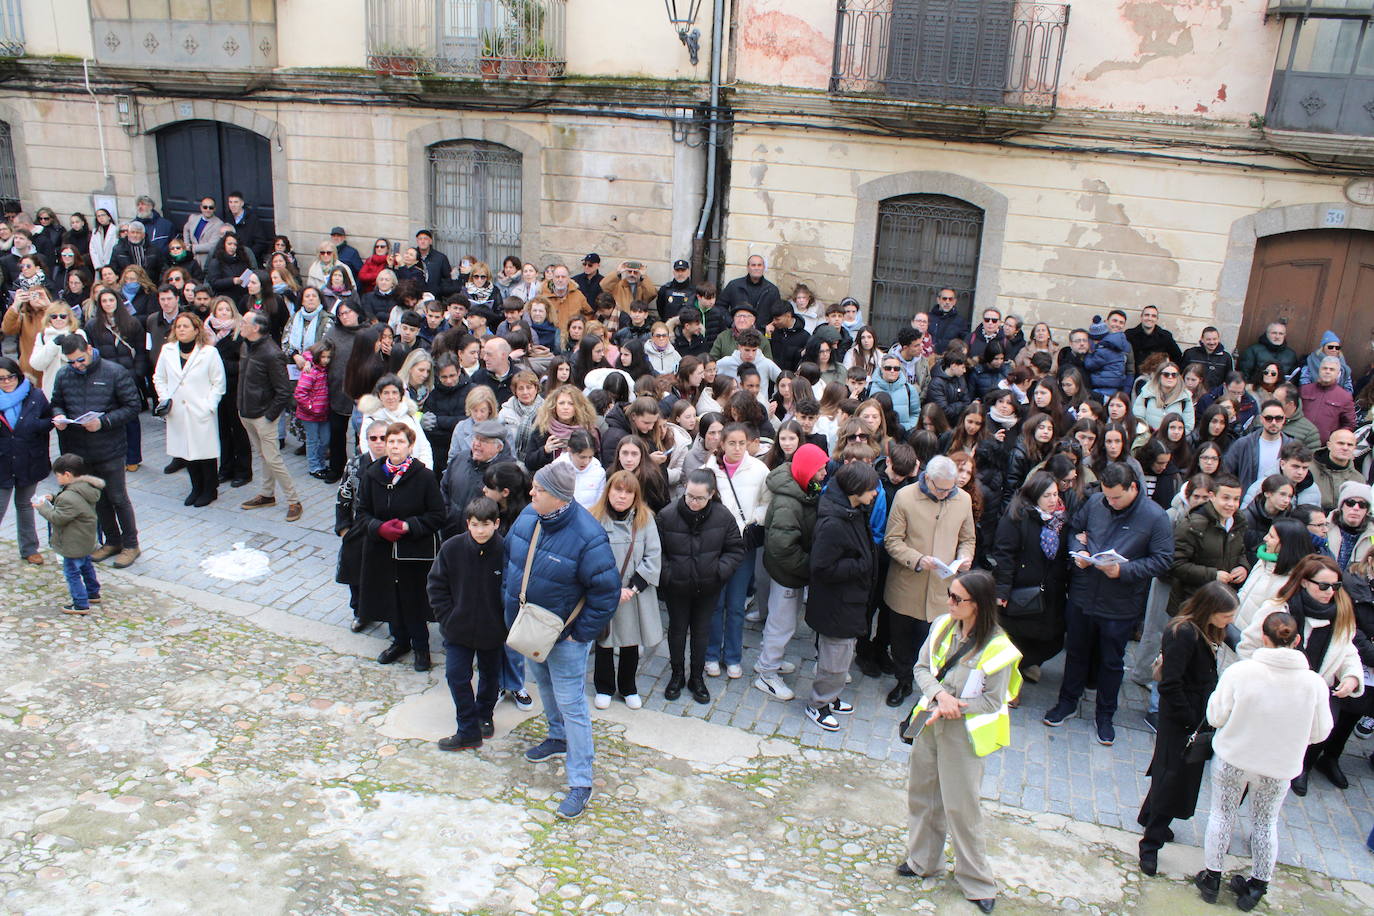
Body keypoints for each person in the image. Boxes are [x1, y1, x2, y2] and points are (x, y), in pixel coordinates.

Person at [506, 461, 622, 821]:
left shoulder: (589, 536)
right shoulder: (528, 516)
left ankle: (581, 782)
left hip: (566, 637)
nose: (530, 493)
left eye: (537, 490)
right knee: (542, 681)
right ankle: (556, 737)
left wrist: (578, 633)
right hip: (532, 629)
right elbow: (509, 560)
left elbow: (607, 592)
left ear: (557, 498)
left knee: (572, 702)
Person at [899, 570, 1020, 913]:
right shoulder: (941, 626)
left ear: (978, 606)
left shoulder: (998, 648)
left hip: (962, 734)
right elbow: (921, 668)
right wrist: (940, 696)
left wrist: (955, 707)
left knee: (962, 808)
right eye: (949, 595)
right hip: (931, 721)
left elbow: (994, 701)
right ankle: (923, 861)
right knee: (922, 794)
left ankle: (977, 881)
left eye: (956, 599)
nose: (948, 603)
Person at [1198, 611, 1332, 909]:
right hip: (1279, 766)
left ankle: (1212, 878)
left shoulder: (1241, 673)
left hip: (1235, 757)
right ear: (1297, 640)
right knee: (1265, 823)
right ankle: (1258, 885)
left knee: (1221, 814)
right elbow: (1321, 732)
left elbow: (1216, 716)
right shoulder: (1314, 684)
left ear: (1263, 638)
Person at [1043, 462, 1174, 746]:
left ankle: (1105, 715)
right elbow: (1074, 529)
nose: (1110, 502)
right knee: (1076, 653)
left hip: (1120, 603)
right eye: (1107, 496)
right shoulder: (1096, 503)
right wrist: (1079, 551)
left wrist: (1124, 571)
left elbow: (1163, 559)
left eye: (1116, 497)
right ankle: (1067, 702)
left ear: (1133, 489)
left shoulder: (1155, 517)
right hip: (1083, 594)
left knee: (1112, 663)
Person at [1237, 554, 1362, 795]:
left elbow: (1348, 651)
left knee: (1309, 738)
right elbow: (1248, 646)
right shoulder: (1277, 608)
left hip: (1312, 692)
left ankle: (1298, 769)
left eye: (1335, 586)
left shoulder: (1342, 613)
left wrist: (1351, 677)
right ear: (1304, 581)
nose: (1330, 592)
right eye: (1324, 586)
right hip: (1273, 693)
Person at [1136, 581, 1237, 876]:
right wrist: (1189, 719)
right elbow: (1171, 684)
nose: (1229, 623)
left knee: (1168, 767)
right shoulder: (1183, 634)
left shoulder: (1201, 629)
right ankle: (1150, 844)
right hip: (1183, 717)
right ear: (1210, 610)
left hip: (1192, 712)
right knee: (1174, 778)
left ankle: (1148, 816)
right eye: (1226, 616)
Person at [883, 455, 976, 707]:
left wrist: (965, 557)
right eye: (941, 489)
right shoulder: (905, 497)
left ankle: (929, 688)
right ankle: (902, 680)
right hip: (907, 583)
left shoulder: (963, 499)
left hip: (941, 588)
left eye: (951, 488)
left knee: (931, 642)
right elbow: (892, 540)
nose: (947, 494)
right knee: (901, 639)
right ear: (927, 478)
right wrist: (918, 559)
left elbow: (968, 538)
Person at [358, 422, 446, 670]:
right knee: (390, 597)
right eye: (391, 441)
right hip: (382, 550)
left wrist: (410, 526)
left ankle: (421, 646)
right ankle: (399, 641)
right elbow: (362, 512)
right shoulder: (372, 474)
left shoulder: (425, 476)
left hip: (413, 552)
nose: (395, 446)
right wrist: (378, 527)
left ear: (410, 446)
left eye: (400, 442)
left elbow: (438, 515)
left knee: (413, 599)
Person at [49, 336, 142, 568]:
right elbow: (56, 401)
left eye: (80, 359)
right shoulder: (63, 375)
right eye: (71, 362)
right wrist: (59, 416)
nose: (77, 365)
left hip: (109, 447)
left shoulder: (114, 372)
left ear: (89, 349)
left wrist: (104, 422)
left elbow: (132, 406)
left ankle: (131, 544)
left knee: (118, 497)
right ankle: (112, 541)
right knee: (97, 499)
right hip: (79, 450)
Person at [657, 469, 746, 703]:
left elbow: (735, 550)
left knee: (701, 632)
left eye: (699, 498)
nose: (693, 502)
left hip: (708, 587)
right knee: (676, 631)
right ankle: (677, 674)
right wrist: (668, 574)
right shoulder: (667, 515)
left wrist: (718, 572)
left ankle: (697, 677)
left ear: (711, 495)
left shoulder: (723, 516)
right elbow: (657, 552)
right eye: (689, 496)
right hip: (676, 586)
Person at [803, 462, 879, 732]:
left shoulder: (852, 509)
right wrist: (861, 566)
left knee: (843, 654)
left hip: (848, 600)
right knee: (834, 659)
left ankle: (831, 697)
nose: (875, 495)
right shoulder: (834, 522)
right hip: (836, 603)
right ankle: (818, 703)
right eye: (871, 490)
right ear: (856, 490)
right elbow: (821, 567)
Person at [427, 496, 506, 751]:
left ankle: (485, 715)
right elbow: (436, 586)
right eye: (475, 525)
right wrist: (448, 619)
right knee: (456, 676)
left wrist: (504, 624)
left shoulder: (506, 551)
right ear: (467, 524)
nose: (480, 531)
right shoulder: (451, 549)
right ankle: (467, 728)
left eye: (485, 524)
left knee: (490, 676)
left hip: (493, 631)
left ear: (496, 523)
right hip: (458, 630)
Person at [754, 443, 827, 701]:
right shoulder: (788, 502)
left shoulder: (803, 490)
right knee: (781, 623)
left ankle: (768, 657)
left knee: (781, 620)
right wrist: (809, 567)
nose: (824, 473)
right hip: (788, 573)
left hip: (791, 571)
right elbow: (782, 548)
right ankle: (767, 673)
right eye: (820, 469)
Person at [590, 471, 663, 710]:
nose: (622, 496)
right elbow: (590, 557)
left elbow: (653, 555)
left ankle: (628, 686)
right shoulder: (594, 518)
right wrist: (610, 588)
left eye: (628, 492)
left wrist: (632, 588)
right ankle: (604, 686)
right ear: (608, 491)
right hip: (604, 591)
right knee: (604, 639)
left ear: (635, 495)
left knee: (631, 640)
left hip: (634, 593)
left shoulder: (645, 519)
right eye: (617, 490)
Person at [703, 422, 768, 678]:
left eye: (742, 443)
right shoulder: (711, 469)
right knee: (715, 603)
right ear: (722, 444)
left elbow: (767, 501)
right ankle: (711, 653)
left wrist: (753, 520)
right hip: (715, 546)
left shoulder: (759, 469)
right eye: (732, 443)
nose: (737, 448)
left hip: (742, 546)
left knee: (736, 604)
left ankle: (732, 656)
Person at [989, 472, 1069, 684]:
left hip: (1052, 589)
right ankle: (1010, 681)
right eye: (1047, 496)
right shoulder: (1017, 516)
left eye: (1055, 494)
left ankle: (1025, 665)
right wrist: (1002, 590)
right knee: (1018, 637)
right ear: (1034, 496)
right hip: (1023, 590)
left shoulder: (1061, 519)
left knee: (1053, 640)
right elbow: (1004, 554)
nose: (1053, 500)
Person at [152, 313, 226, 508]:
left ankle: (210, 489)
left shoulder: (208, 352)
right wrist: (165, 398)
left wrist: (209, 405)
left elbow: (218, 383)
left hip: (200, 408)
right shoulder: (167, 350)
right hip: (178, 410)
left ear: (196, 329)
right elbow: (159, 377)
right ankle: (196, 487)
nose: (182, 330)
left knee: (205, 451)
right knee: (186, 451)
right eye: (178, 327)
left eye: (186, 326)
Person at [235, 312, 303, 522]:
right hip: (246, 412)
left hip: (263, 416)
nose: (241, 325)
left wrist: (269, 416)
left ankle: (294, 500)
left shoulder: (272, 353)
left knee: (273, 458)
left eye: (244, 322)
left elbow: (284, 391)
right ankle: (267, 494)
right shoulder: (246, 345)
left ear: (256, 328)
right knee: (264, 456)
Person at [1167, 473, 1248, 615]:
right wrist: (1213, 575)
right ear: (1212, 496)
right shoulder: (1192, 525)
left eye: (1236, 499)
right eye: (1226, 498)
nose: (1231, 504)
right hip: (1193, 604)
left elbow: (1240, 552)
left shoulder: (1238, 522)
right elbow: (1175, 564)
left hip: (1222, 603)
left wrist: (1243, 566)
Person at [34, 453, 103, 614]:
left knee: (72, 572)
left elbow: (57, 518)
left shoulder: (68, 497)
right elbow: (74, 500)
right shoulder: (86, 487)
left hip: (72, 542)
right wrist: (54, 497)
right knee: (86, 566)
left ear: (67, 475)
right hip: (86, 539)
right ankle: (93, 592)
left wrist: (41, 507)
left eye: (58, 476)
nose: (57, 479)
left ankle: (80, 603)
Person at [0, 356, 53, 564]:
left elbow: (48, 421)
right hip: (3, 461)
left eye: (9, 377)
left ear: (18, 376)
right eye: (1, 379)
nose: (6, 382)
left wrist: (37, 426)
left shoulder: (35, 396)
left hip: (29, 458)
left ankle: (30, 548)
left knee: (24, 505)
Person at [1222, 399, 1292, 493]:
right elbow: (1226, 472)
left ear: (1284, 419)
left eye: (1278, 418)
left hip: (1280, 501)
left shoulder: (1292, 447)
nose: (1274, 422)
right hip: (1247, 501)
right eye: (1269, 418)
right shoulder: (1244, 444)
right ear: (1261, 419)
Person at [1299, 355, 1356, 444]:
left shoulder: (1345, 397)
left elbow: (1349, 424)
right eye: (1324, 368)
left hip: (1323, 447)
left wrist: (1334, 438)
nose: (1327, 371)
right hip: (1299, 440)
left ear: (1338, 373)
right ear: (1319, 370)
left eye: (1331, 369)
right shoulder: (1304, 390)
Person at [1310, 428, 1362, 510]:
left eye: (1350, 445)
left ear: (1354, 448)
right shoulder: (1308, 470)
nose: (1345, 448)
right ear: (1329, 445)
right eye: (1340, 443)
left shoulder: (1358, 479)